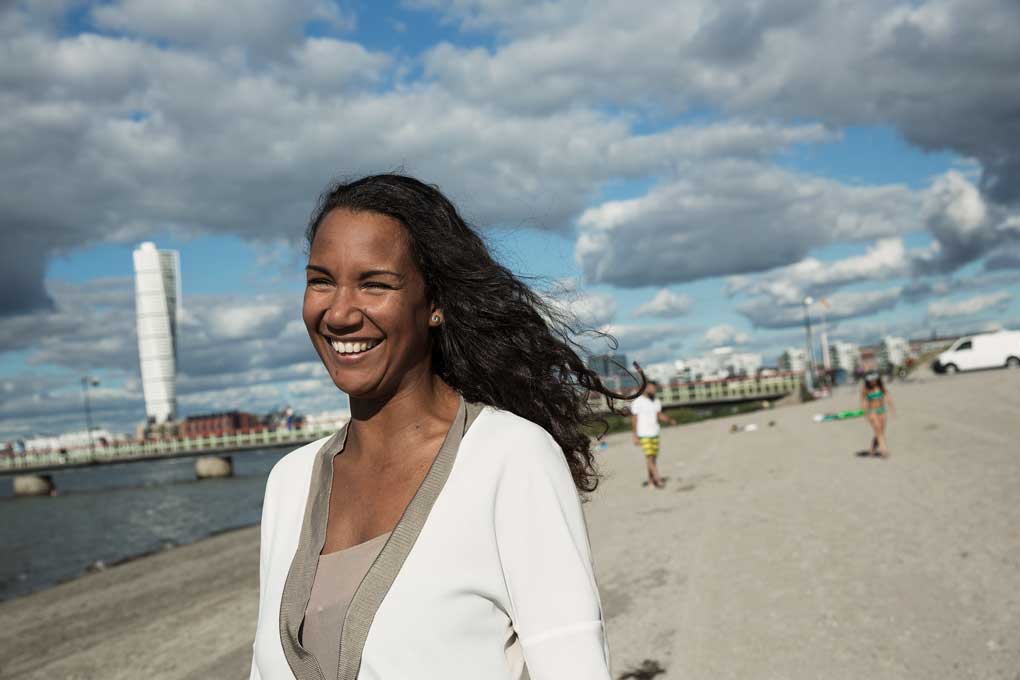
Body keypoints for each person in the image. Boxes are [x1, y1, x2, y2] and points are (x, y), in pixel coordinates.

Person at [249, 174, 636, 680]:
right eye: (321, 280)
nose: (339, 312)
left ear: (436, 305)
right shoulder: (289, 481)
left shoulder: (510, 458)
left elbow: (573, 667)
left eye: (375, 283)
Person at [630, 381, 677, 489]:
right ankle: (658, 479)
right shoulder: (638, 401)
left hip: (655, 432)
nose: (654, 390)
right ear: (645, 388)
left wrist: (670, 420)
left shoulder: (656, 401)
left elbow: (659, 415)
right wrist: (635, 435)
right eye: (652, 387)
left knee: (652, 458)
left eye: (655, 388)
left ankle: (650, 480)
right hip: (643, 433)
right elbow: (634, 419)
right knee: (650, 457)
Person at [860, 371, 895, 458]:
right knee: (879, 431)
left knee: (880, 432)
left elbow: (887, 396)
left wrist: (892, 408)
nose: (872, 381)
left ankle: (872, 449)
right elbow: (864, 402)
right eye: (870, 380)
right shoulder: (865, 389)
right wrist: (866, 414)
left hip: (882, 411)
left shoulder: (880, 386)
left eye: (874, 379)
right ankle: (884, 450)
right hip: (872, 412)